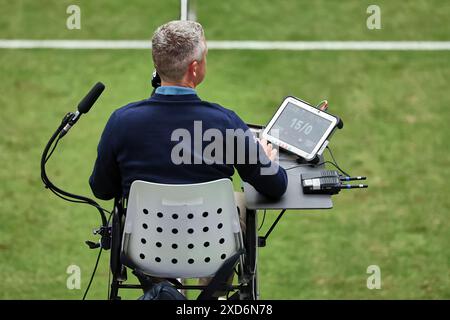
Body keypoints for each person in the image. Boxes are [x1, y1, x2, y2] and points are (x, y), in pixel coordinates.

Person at [89, 20, 288, 296]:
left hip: (146, 248)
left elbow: (101, 189)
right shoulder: (224, 122)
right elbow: (276, 186)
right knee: (239, 200)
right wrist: (265, 159)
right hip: (214, 249)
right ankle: (213, 293)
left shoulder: (121, 121)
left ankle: (166, 292)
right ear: (194, 69)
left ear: (156, 66)